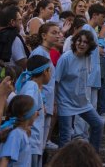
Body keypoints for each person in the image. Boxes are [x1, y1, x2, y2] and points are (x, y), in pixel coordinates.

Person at [55, 30, 104, 152]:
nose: (82, 44)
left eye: (85, 42)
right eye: (79, 41)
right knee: (65, 137)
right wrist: (55, 103)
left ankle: (92, 158)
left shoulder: (87, 57)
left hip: (82, 102)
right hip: (65, 102)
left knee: (98, 124)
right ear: (75, 42)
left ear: (89, 45)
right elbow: (56, 81)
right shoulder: (66, 58)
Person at [73, 4, 105, 140]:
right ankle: (79, 134)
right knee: (83, 105)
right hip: (86, 75)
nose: (104, 21)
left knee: (91, 107)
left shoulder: (93, 31)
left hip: (93, 75)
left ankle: (85, 135)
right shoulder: (87, 29)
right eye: (103, 17)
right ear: (94, 15)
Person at [15, 56, 51, 167]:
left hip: (34, 141)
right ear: (44, 72)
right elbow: (26, 107)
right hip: (32, 140)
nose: (50, 74)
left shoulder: (31, 85)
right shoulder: (32, 87)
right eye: (49, 70)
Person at [30, 23, 60, 151]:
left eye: (58, 33)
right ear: (43, 35)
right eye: (54, 33)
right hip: (40, 103)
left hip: (46, 102)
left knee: (41, 144)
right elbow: (34, 79)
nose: (58, 36)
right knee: (36, 143)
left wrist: (52, 102)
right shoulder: (39, 53)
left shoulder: (48, 52)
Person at [0, 95, 38, 167]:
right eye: (35, 111)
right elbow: (3, 162)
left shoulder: (20, 133)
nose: (38, 113)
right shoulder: (16, 134)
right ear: (28, 114)